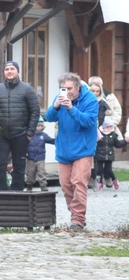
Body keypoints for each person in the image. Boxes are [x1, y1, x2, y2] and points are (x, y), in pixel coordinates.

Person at [44, 72, 98, 231]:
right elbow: (48, 117)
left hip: (83, 149)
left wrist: (71, 108)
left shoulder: (90, 100)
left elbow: (88, 121)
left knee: (78, 183)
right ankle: (75, 214)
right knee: (66, 185)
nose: (66, 92)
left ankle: (78, 220)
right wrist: (55, 107)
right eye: (63, 88)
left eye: (69, 88)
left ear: (77, 87)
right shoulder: (59, 98)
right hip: (64, 149)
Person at [0, 61, 40, 191]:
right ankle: (0, 193)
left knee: (19, 166)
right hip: (2, 135)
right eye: (7, 69)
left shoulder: (27, 89)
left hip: (21, 135)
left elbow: (35, 111)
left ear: (17, 71)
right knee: (0, 165)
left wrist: (29, 133)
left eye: (12, 69)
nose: (9, 71)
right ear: (4, 72)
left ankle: (17, 193)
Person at [94, 117, 126, 191]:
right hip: (99, 155)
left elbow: (117, 144)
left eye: (110, 126)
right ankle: (100, 183)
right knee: (99, 170)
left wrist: (125, 141)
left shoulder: (113, 135)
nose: (109, 128)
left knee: (108, 170)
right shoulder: (99, 133)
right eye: (108, 126)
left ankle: (114, 180)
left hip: (109, 155)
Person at [25, 118, 54, 192]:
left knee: (41, 173)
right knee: (30, 173)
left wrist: (59, 140)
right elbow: (24, 144)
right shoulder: (29, 135)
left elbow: (51, 140)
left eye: (41, 126)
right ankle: (29, 186)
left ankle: (43, 186)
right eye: (38, 126)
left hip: (40, 158)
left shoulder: (44, 135)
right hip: (30, 158)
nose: (39, 128)